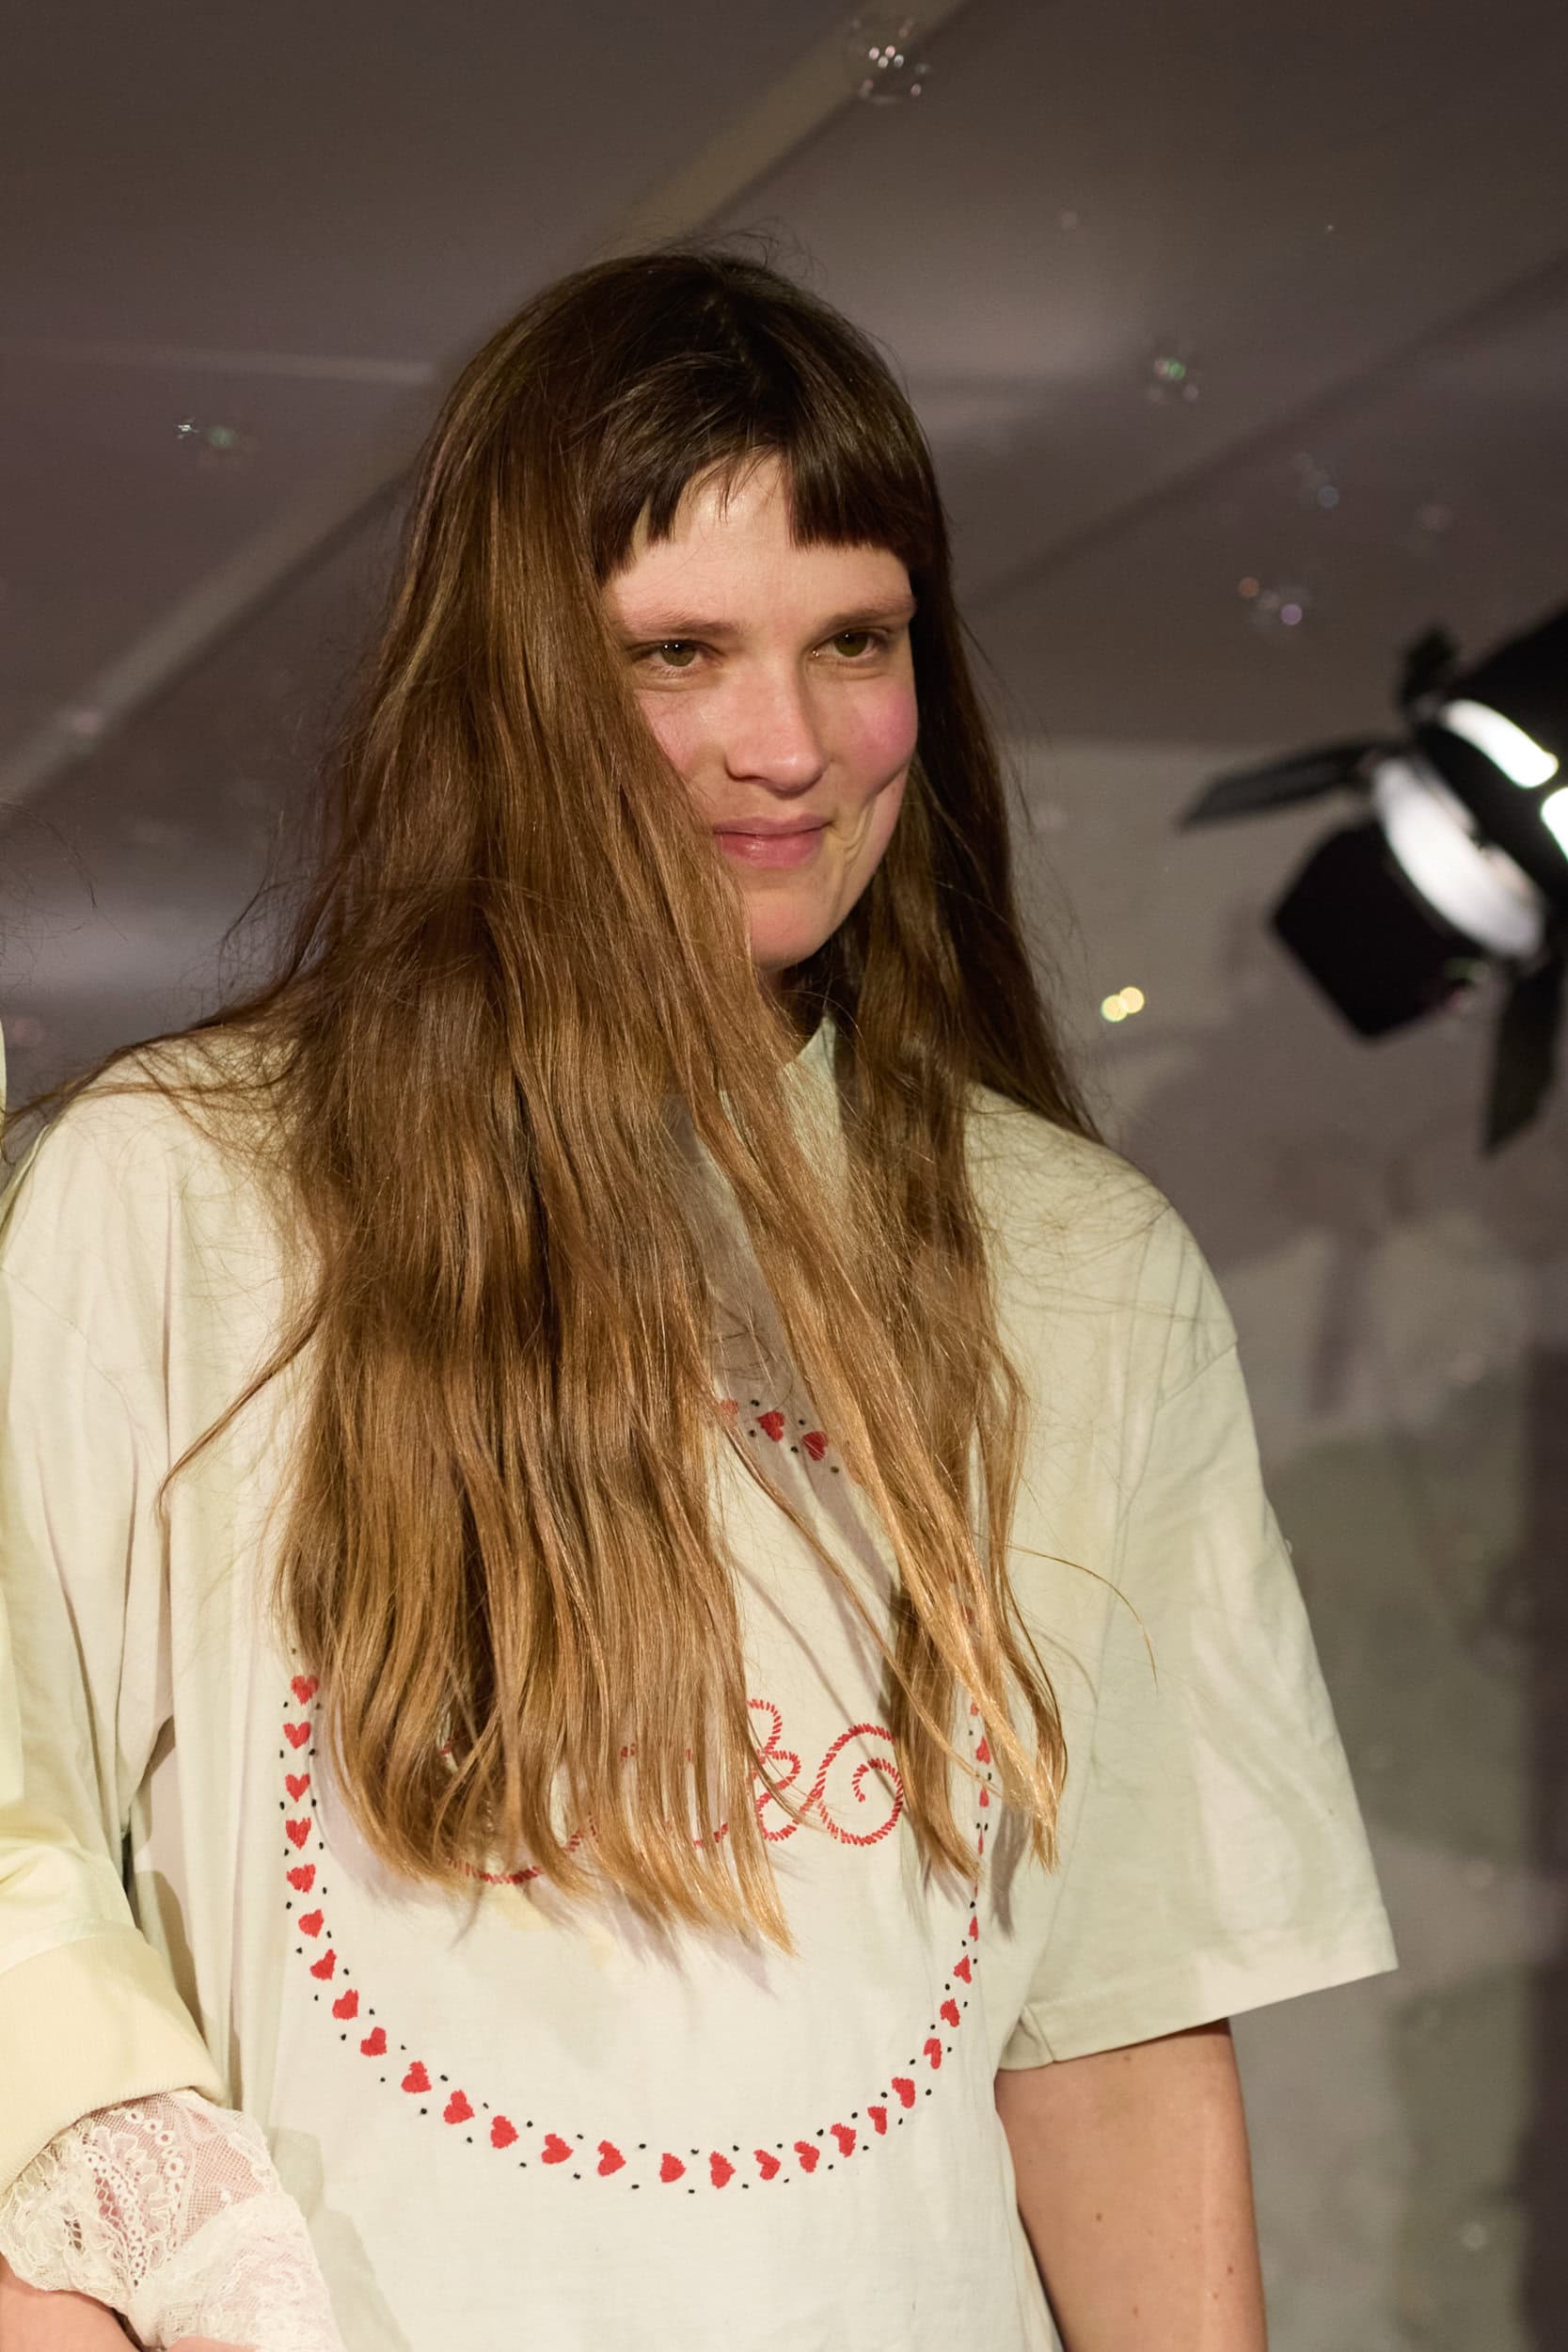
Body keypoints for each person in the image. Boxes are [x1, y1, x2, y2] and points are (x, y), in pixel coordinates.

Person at [0, 246, 1396, 2352]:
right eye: (677, 653)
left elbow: (1115, 2026)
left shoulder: (1079, 1266)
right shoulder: (182, 1193)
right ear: (515, 685)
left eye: (856, 639)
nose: (789, 743)